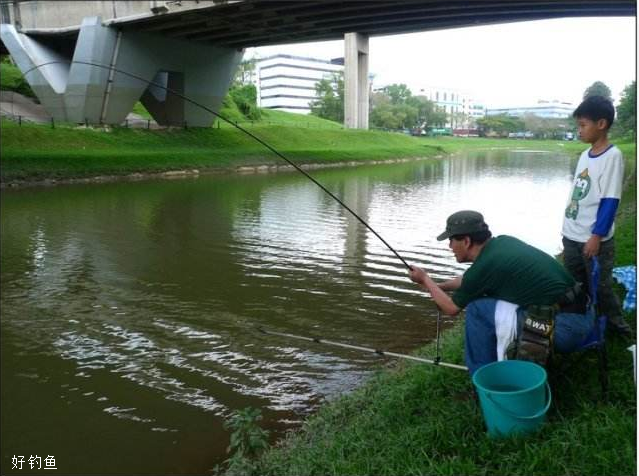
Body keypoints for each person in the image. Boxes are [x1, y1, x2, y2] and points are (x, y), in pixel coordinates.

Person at [408, 210, 593, 375]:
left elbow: (451, 308)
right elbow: (468, 281)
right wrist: (437, 286)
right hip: (584, 310)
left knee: (476, 309)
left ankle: (484, 376)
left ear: (466, 241)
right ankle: (494, 365)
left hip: (566, 329)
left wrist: (425, 279)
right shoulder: (502, 243)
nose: (449, 246)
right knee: (486, 299)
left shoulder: (485, 266)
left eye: (451, 240)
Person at [561, 95, 632, 338]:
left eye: (583, 125)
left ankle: (618, 328)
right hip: (571, 234)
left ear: (601, 124)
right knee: (575, 284)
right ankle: (584, 323)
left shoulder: (612, 156)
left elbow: (610, 200)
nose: (579, 130)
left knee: (600, 286)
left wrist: (596, 236)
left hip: (592, 239)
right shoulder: (585, 155)